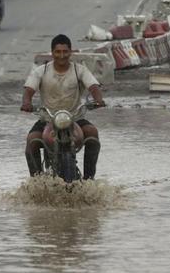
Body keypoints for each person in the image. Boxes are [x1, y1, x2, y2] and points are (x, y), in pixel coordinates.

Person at [21, 34, 106, 180]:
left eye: (65, 52)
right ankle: (37, 182)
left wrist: (98, 99)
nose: (62, 55)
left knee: (92, 134)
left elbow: (93, 86)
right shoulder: (41, 71)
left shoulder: (79, 70)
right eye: (58, 52)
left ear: (70, 52)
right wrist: (27, 102)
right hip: (47, 119)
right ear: (52, 53)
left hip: (75, 118)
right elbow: (28, 90)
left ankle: (89, 179)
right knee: (32, 141)